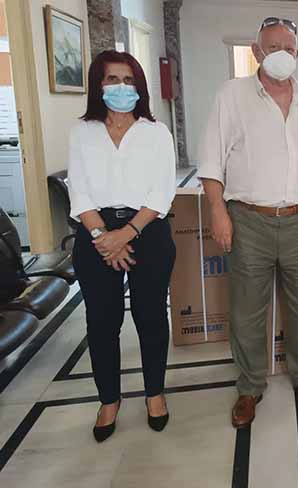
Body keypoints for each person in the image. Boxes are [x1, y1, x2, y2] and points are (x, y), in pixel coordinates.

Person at [199, 16, 298, 427]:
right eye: (273, 47)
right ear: (256, 50)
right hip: (249, 221)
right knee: (246, 310)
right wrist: (218, 211)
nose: (283, 54)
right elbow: (211, 160)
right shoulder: (232, 95)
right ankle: (249, 386)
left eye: (290, 49)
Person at [68, 50, 176, 442]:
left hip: (147, 230)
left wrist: (125, 233)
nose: (121, 87)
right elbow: (78, 190)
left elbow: (162, 191)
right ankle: (109, 400)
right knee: (101, 321)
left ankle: (155, 394)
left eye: (128, 80)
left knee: (150, 317)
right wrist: (102, 237)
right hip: (95, 233)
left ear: (139, 87)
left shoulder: (156, 132)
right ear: (98, 85)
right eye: (112, 79)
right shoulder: (82, 132)